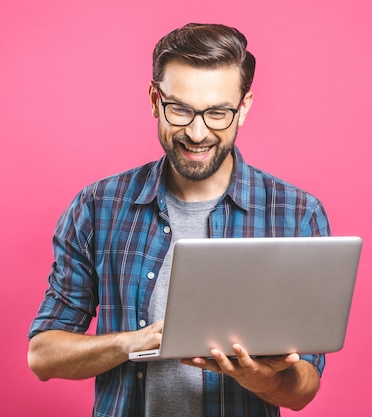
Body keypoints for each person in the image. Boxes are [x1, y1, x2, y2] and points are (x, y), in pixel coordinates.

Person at [27, 22, 331, 417]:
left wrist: (259, 377)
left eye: (218, 113)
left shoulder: (296, 215)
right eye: (180, 109)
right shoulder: (98, 206)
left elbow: (303, 389)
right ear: (155, 99)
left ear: (244, 107)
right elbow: (43, 355)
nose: (197, 132)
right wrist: (133, 343)